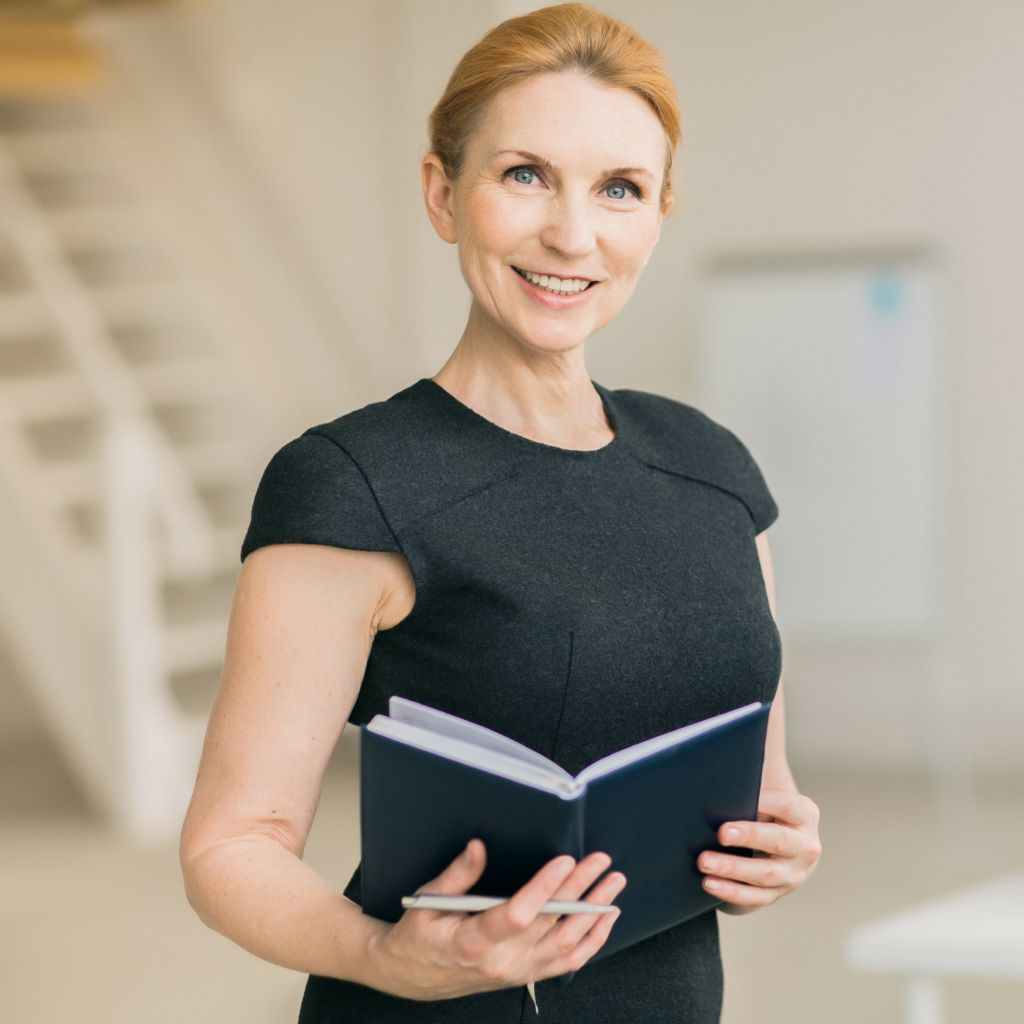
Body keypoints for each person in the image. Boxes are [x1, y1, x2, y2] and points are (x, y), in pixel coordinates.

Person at [180, 5, 821, 1022]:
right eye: (524, 174)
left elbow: (760, 786)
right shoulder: (349, 483)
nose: (571, 234)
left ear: (657, 212)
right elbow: (229, 846)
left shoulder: (713, 468)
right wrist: (386, 956)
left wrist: (776, 844)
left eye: (618, 189)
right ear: (443, 195)